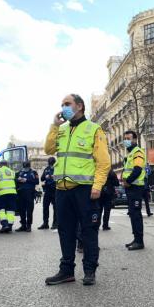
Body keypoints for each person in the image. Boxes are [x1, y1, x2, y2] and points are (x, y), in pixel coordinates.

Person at [43, 93, 110, 286]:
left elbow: (104, 162)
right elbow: (48, 149)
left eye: (67, 104)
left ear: (79, 106)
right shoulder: (61, 129)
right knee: (65, 231)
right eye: (62, 104)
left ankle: (89, 270)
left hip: (85, 189)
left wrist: (97, 186)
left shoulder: (94, 129)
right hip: (62, 189)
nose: (63, 107)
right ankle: (66, 271)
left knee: (88, 231)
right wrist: (54, 126)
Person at [121, 130, 146, 250]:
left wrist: (127, 181)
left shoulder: (137, 152)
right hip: (131, 188)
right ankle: (136, 239)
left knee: (136, 214)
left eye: (129, 138)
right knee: (132, 214)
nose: (126, 140)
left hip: (135, 187)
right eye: (125, 138)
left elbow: (137, 170)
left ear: (135, 140)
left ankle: (139, 241)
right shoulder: (130, 154)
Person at [15, 161, 38, 232]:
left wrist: (27, 180)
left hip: (30, 194)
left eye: (27, 167)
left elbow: (37, 181)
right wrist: (18, 180)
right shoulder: (19, 172)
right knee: (21, 210)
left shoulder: (34, 172)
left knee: (29, 210)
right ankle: (23, 225)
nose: (25, 169)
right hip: (20, 194)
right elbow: (15, 180)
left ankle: (29, 226)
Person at [38, 156, 57, 229]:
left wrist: (52, 177)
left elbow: (60, 177)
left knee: (56, 208)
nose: (50, 164)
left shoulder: (57, 168)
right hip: (47, 190)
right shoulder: (46, 169)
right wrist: (46, 177)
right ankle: (45, 223)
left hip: (55, 190)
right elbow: (42, 178)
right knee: (45, 207)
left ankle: (55, 224)